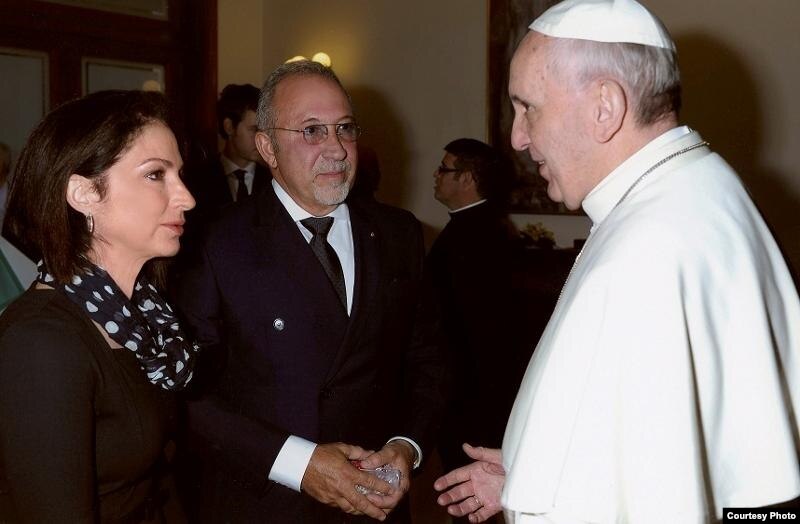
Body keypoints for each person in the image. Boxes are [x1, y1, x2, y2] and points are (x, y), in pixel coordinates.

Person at [434, 0, 800, 523]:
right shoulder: (698, 187)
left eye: (527, 107)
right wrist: (532, 471)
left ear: (604, 107)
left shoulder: (647, 252)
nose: (516, 137)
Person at [174, 60, 445, 523]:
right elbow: (188, 395)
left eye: (344, 128)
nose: (336, 149)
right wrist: (300, 464)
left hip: (375, 505)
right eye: (312, 131)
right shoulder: (212, 242)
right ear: (267, 147)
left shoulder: (399, 234)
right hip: (264, 506)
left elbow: (431, 361)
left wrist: (408, 446)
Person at [0, 90, 197, 521]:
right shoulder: (41, 342)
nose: (186, 198)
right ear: (84, 194)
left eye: (179, 174)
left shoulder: (147, 315)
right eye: (155, 175)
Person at [426, 139, 533, 481]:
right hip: (473, 396)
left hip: (470, 401)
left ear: (468, 179)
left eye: (445, 168)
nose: (436, 174)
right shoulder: (477, 227)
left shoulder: (475, 237)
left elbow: (479, 330)